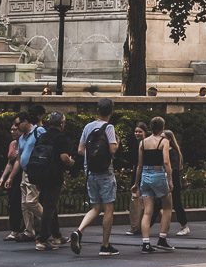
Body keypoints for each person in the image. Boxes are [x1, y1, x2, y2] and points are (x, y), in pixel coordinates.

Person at [70, 98, 119, 257]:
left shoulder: (88, 126)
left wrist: (92, 156)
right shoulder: (109, 127)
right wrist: (117, 142)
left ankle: (79, 231)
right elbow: (112, 150)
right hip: (105, 172)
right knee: (108, 209)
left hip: (90, 172)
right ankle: (105, 245)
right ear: (111, 111)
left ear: (97, 111)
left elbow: (80, 150)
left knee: (95, 207)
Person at [29, 111, 74, 251]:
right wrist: (71, 162)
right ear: (61, 124)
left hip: (41, 174)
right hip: (54, 175)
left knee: (49, 204)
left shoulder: (43, 136)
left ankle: (57, 235)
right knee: (49, 206)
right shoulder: (61, 138)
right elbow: (64, 157)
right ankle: (42, 239)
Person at [133, 117, 174, 253]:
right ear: (162, 127)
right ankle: (162, 239)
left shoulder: (143, 143)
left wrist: (136, 183)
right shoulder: (164, 141)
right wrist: (170, 179)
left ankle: (146, 243)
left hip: (145, 174)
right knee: (167, 206)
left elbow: (139, 165)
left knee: (147, 211)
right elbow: (167, 162)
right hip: (158, 174)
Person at [14, 110, 46, 242]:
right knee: (24, 204)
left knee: (31, 202)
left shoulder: (39, 131)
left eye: (18, 124)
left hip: (35, 172)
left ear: (26, 121)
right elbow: (19, 157)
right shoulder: (21, 138)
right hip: (25, 172)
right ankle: (29, 230)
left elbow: (47, 148)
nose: (16, 127)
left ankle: (49, 223)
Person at [0, 117, 24, 241]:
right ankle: (15, 229)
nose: (13, 132)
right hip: (14, 177)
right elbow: (10, 163)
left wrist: (10, 177)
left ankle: (25, 228)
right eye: (11, 130)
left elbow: (19, 162)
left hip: (22, 174)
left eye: (15, 130)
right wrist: (3, 178)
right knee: (14, 202)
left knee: (25, 203)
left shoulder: (25, 142)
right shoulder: (13, 144)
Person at [163, 128, 190, 236]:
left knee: (177, 204)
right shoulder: (164, 150)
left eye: (163, 138)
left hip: (173, 181)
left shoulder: (173, 152)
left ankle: (184, 226)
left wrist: (167, 176)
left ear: (169, 139)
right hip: (164, 180)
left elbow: (174, 168)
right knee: (157, 204)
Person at [128, 123, 148, 234]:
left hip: (141, 173)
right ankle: (139, 225)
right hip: (138, 171)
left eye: (140, 131)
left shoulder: (143, 144)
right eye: (136, 131)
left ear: (145, 132)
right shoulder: (136, 144)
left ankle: (136, 226)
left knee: (138, 200)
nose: (137, 133)